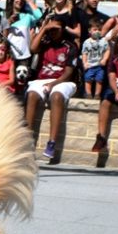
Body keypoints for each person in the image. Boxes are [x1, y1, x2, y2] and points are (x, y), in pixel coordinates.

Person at [26, 16, 78, 161]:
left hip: (62, 80)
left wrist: (53, 84)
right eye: (51, 29)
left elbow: (68, 73)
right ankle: (27, 141)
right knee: (31, 95)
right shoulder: (45, 42)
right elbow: (32, 48)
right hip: (43, 79)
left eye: (56, 29)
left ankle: (52, 142)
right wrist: (44, 29)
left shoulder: (70, 46)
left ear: (63, 29)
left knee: (56, 96)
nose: (53, 31)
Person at [5, 0, 43, 71]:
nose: (20, 1)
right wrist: (9, 22)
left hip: (24, 57)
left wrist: (28, 0)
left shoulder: (27, 16)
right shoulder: (4, 15)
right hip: (8, 55)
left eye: (22, 0)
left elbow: (40, 17)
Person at [80, 16, 110, 100]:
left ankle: (97, 94)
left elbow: (107, 50)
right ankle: (88, 93)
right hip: (89, 65)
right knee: (88, 79)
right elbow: (84, 53)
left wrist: (104, 59)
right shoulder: (87, 42)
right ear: (90, 30)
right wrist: (84, 63)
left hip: (100, 65)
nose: (97, 31)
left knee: (99, 80)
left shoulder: (103, 41)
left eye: (99, 30)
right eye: (95, 29)